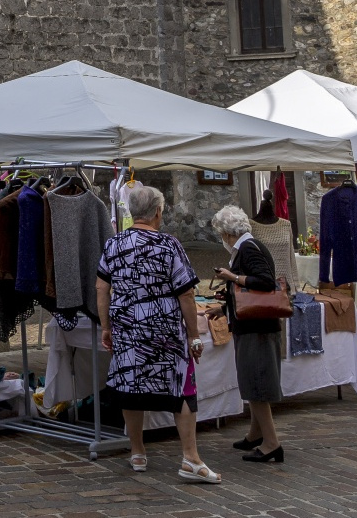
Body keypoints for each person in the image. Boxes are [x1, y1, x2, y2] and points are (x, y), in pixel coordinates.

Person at [95, 183, 219, 484]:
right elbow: (187, 294)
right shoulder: (168, 245)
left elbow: (102, 288)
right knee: (182, 389)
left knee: (130, 387)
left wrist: (107, 326)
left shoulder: (113, 244)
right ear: (158, 212)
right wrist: (194, 336)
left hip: (127, 330)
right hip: (166, 334)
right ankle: (190, 458)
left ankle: (137, 452)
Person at [208, 204, 284, 463]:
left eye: (221, 235)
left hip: (258, 328)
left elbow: (264, 282)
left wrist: (232, 277)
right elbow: (249, 294)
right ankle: (255, 434)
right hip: (253, 324)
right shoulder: (248, 247)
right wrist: (223, 308)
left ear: (228, 234)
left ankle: (272, 443)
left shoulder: (249, 248)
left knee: (258, 383)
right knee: (253, 381)